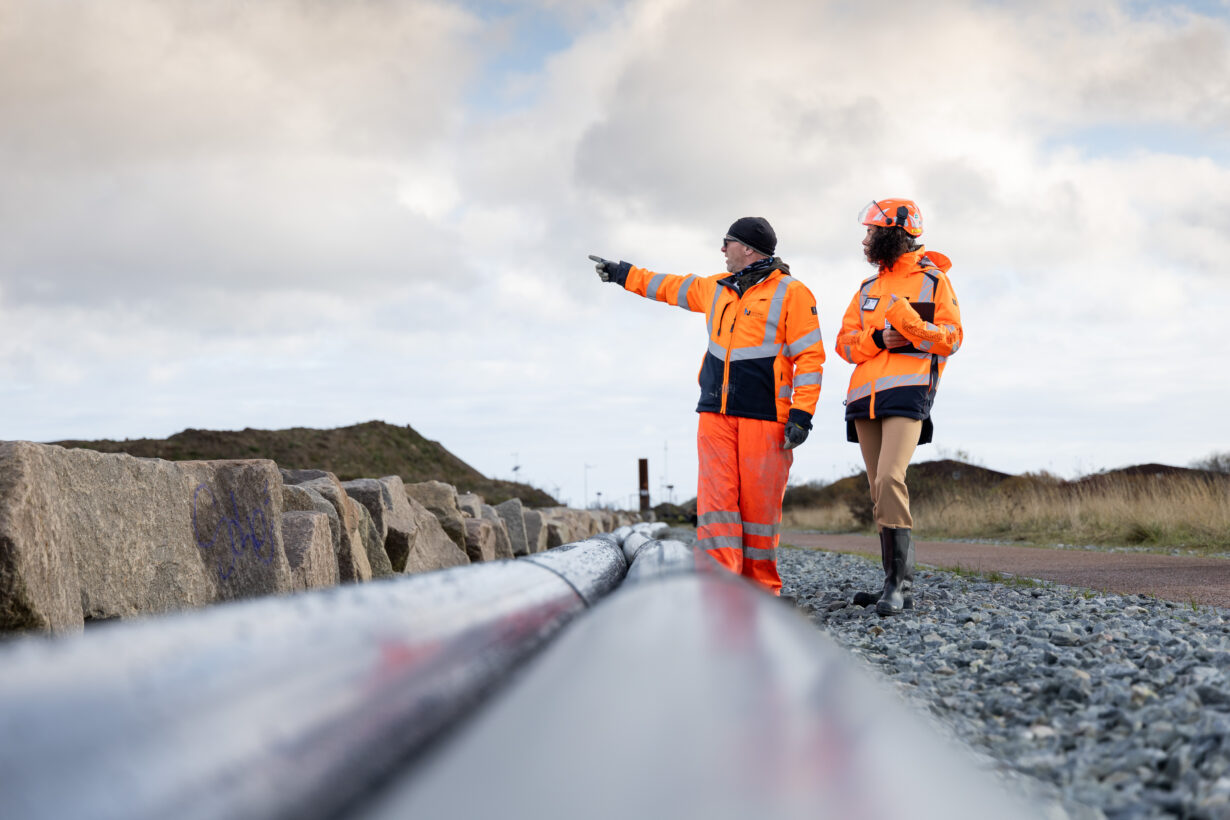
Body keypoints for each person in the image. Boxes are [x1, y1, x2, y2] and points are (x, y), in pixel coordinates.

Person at [590, 217, 825, 596]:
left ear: (747, 248)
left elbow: (811, 358)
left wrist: (802, 414)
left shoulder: (793, 293)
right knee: (716, 505)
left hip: (766, 416)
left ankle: (761, 592)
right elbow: (668, 287)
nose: (722, 250)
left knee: (758, 511)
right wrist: (622, 274)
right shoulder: (715, 288)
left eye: (727, 242)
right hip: (715, 414)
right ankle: (722, 589)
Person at [835, 198, 963, 615]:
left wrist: (910, 327)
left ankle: (899, 585)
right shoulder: (867, 288)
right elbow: (844, 343)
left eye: (871, 231)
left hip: (908, 393)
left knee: (890, 478)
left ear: (892, 233)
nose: (865, 239)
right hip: (863, 398)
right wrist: (876, 341)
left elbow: (952, 338)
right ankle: (893, 584)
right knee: (877, 489)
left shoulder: (933, 281)